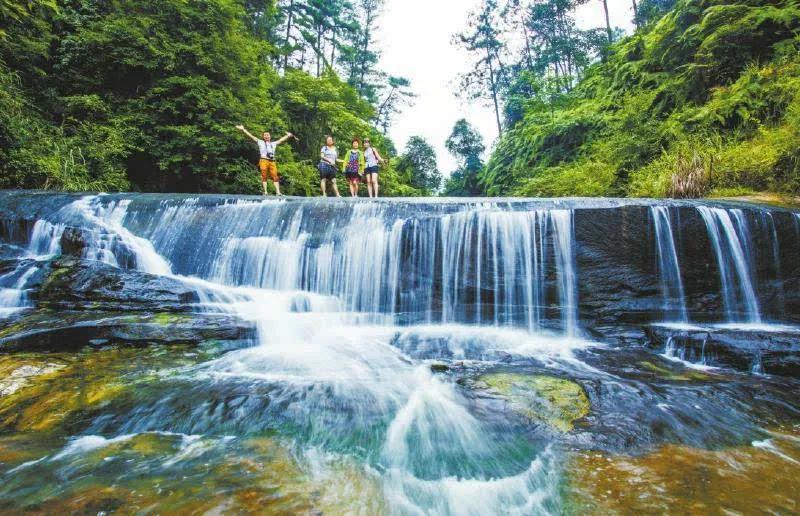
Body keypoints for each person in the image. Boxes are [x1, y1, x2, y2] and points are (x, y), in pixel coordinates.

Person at [236, 125, 294, 196]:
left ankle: (278, 192)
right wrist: (243, 130)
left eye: (268, 135)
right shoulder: (260, 142)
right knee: (264, 176)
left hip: (272, 161)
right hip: (263, 160)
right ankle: (265, 192)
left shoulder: (273, 143)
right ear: (263, 137)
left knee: (275, 176)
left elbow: (281, 140)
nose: (267, 136)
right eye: (265, 135)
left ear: (270, 136)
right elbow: (251, 136)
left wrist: (288, 136)